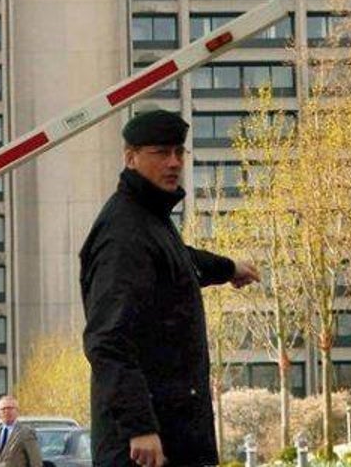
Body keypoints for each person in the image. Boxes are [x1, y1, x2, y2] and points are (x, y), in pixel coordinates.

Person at [80, 108, 261, 467]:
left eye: (179, 152)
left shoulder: (148, 221)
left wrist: (228, 268)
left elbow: (179, 262)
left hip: (170, 434)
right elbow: (107, 340)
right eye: (161, 153)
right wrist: (139, 427)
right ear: (130, 158)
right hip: (145, 447)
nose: (174, 162)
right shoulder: (124, 234)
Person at [0, 394, 44, 467]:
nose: (6, 411)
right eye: (3, 409)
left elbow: (36, 462)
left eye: (10, 408)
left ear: (17, 410)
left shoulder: (26, 432)